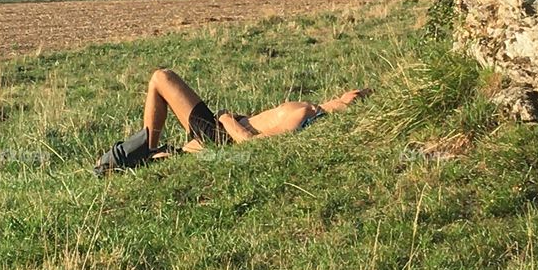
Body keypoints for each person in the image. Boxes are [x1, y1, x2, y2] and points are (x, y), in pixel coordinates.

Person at [94, 68, 372, 175]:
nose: (352, 94)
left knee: (161, 78)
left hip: (223, 137)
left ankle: (144, 151)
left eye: (353, 99)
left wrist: (227, 119)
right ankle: (149, 155)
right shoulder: (313, 113)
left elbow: (252, 144)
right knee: (180, 152)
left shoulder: (302, 116)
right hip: (221, 135)